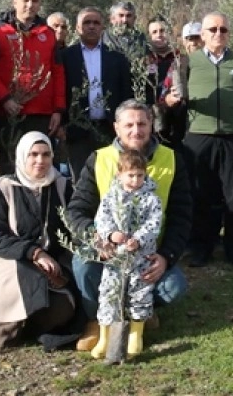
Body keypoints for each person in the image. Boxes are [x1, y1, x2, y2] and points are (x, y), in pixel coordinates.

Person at [66, 100, 190, 353]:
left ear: (152, 125)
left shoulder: (172, 159)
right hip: (109, 253)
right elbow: (76, 211)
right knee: (83, 266)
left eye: (142, 124)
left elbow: (182, 216)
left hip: (147, 254)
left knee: (174, 286)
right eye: (129, 125)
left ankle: (138, 316)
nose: (136, 131)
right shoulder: (99, 159)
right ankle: (97, 320)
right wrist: (99, 240)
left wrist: (166, 257)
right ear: (116, 128)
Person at [165, 11, 233, 268]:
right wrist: (170, 101)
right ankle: (202, 248)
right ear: (202, 35)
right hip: (198, 138)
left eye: (223, 30)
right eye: (213, 30)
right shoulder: (187, 63)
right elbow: (167, 98)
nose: (218, 34)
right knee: (202, 195)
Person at [0, 132, 82, 351]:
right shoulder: (5, 188)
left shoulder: (62, 186)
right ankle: (8, 326)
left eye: (46, 154)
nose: (40, 161)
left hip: (54, 259)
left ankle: (33, 327)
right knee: (4, 338)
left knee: (64, 306)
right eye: (34, 154)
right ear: (23, 157)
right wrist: (34, 253)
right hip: (9, 256)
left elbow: (76, 224)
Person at [0, 0, 65, 178]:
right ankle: (9, 207)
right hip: (8, 112)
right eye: (25, 0)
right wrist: (4, 99)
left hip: (41, 114)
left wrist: (58, 110)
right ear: (14, 2)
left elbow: (58, 72)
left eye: (35, 0)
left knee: (40, 168)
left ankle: (39, 208)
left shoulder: (48, 33)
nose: (30, 5)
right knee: (10, 168)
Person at [89, 151, 163, 359]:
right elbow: (101, 219)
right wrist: (111, 235)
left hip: (141, 257)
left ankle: (135, 334)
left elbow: (154, 223)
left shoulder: (151, 198)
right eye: (131, 175)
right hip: (117, 257)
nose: (135, 180)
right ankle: (105, 337)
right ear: (120, 174)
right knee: (109, 292)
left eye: (140, 175)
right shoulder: (111, 197)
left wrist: (138, 239)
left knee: (140, 292)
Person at [61, 8, 134, 169]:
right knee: (81, 181)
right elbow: (61, 91)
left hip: (109, 129)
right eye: (87, 23)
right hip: (77, 131)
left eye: (96, 22)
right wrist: (63, 123)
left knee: (111, 177)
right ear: (78, 28)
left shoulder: (118, 58)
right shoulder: (66, 57)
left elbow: (126, 93)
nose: (92, 26)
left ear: (103, 27)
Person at [103, 1, 153, 103]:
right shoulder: (103, 37)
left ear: (134, 19)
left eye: (129, 16)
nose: (125, 20)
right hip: (111, 92)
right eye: (121, 15)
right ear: (112, 19)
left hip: (135, 93)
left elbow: (149, 64)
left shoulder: (141, 38)